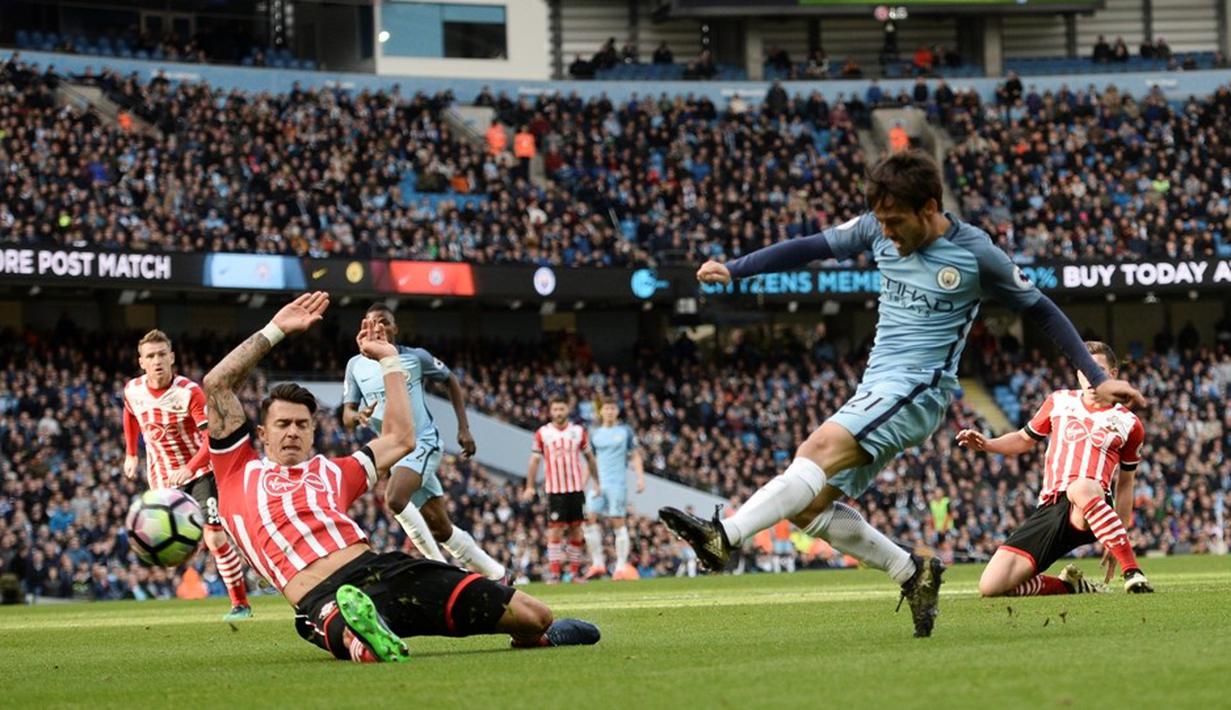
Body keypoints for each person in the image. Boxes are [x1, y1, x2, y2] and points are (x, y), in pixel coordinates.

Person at [659, 151, 1145, 637]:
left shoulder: (976, 253)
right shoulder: (877, 226)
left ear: (929, 208)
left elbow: (1041, 309)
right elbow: (811, 246)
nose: (887, 232)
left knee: (816, 449)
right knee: (809, 507)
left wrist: (1096, 376)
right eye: (882, 221)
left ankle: (724, 537)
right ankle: (912, 572)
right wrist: (736, 268)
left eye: (896, 222)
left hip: (919, 389)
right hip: (875, 387)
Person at [202, 292, 599, 662]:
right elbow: (217, 384)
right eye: (283, 424)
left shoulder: (332, 470)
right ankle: (365, 637)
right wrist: (275, 330)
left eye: (301, 425)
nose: (292, 432)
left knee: (535, 615)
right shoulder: (238, 469)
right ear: (262, 433)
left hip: (385, 570)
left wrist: (389, 360)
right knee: (347, 629)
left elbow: (401, 439)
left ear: (312, 432)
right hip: (322, 596)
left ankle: (532, 636)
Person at [957, 341, 1153, 596]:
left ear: (1113, 375)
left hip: (1088, 506)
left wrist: (1120, 536)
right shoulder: (1059, 401)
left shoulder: (1129, 423)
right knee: (992, 586)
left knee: (1080, 487)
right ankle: (1069, 586)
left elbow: (1126, 483)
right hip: (1050, 507)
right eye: (1085, 369)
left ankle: (1133, 572)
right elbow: (1023, 439)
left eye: (1098, 370)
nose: (1091, 377)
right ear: (1078, 373)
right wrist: (987, 444)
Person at [342, 303, 505, 581]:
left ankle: (441, 571)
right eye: (373, 322)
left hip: (423, 442)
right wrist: (358, 416)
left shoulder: (415, 357)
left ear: (395, 328)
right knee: (441, 528)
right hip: (395, 452)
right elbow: (346, 415)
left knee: (395, 498)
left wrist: (464, 428)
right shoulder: (355, 366)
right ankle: (498, 573)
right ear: (363, 327)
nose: (379, 327)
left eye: (384, 321)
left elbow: (450, 380)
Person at [122, 329, 251, 620]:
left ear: (172, 358)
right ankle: (170, 590)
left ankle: (240, 604)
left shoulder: (189, 392)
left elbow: (211, 439)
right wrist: (131, 453)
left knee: (215, 538)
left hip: (201, 472)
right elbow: (129, 414)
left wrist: (189, 467)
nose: (157, 361)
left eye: (161, 354)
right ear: (141, 362)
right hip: (162, 479)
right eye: (150, 356)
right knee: (159, 538)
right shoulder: (133, 390)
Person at [524, 395, 599, 583]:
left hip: (576, 489)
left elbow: (590, 459)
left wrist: (597, 482)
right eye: (555, 409)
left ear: (568, 409)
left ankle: (574, 573)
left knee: (576, 529)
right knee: (555, 531)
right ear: (551, 411)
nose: (558, 412)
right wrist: (529, 486)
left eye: (561, 409)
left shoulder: (578, 431)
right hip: (554, 491)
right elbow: (534, 461)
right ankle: (555, 573)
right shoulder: (543, 433)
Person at [582, 398, 646, 579]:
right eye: (606, 408)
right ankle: (598, 564)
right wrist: (582, 483)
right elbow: (590, 460)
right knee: (588, 519)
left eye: (612, 408)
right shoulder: (594, 433)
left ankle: (620, 567)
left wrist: (640, 478)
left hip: (617, 485)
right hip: (598, 484)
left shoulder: (625, 431)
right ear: (601, 412)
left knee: (618, 522)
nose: (609, 411)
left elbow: (635, 456)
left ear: (617, 411)